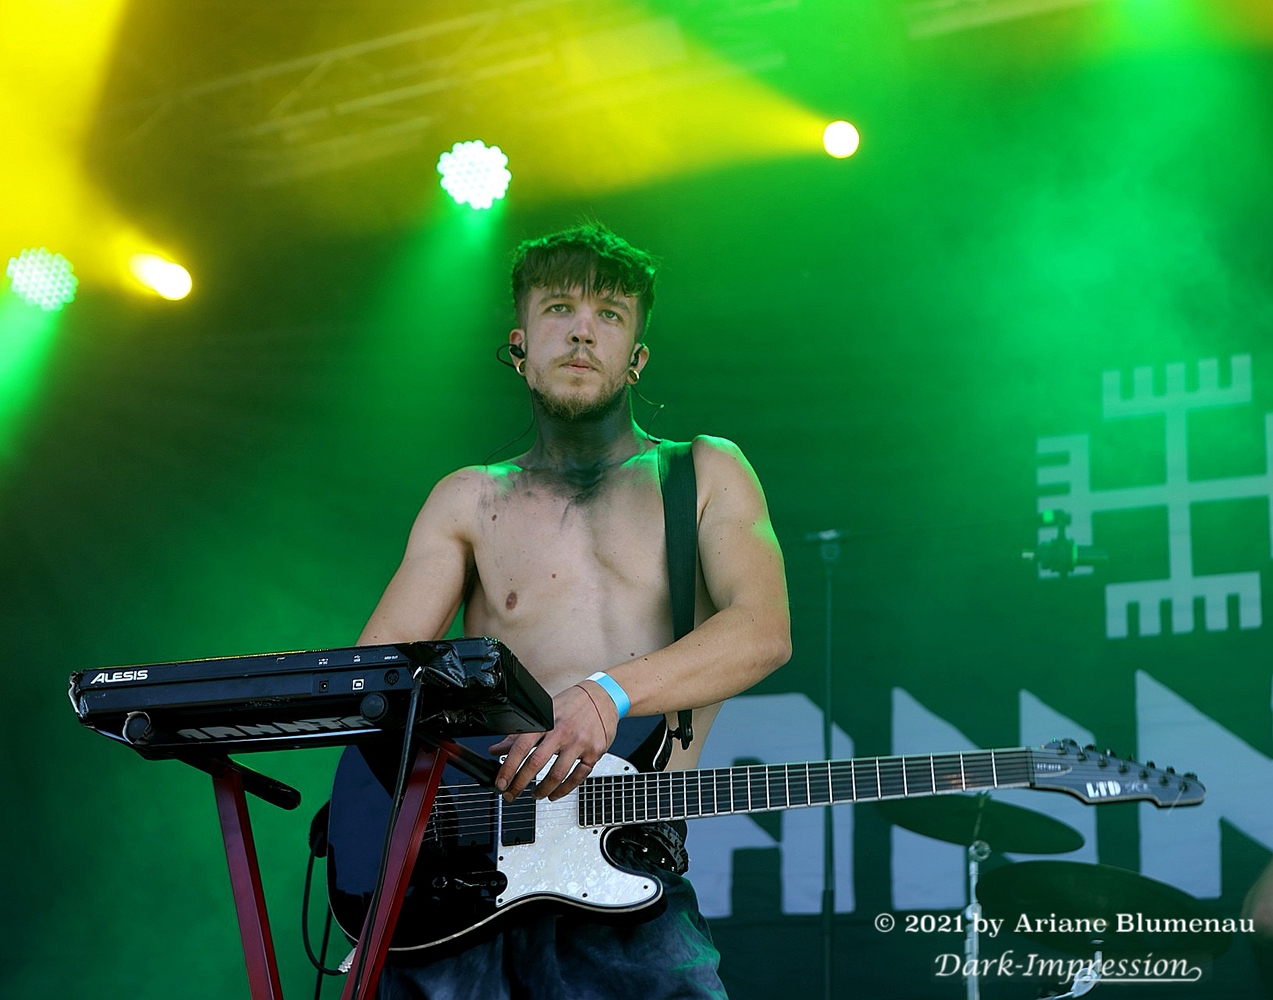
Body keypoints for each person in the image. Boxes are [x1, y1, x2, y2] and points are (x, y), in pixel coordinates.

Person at [357, 222, 792, 998]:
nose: (583, 330)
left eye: (609, 315)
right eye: (559, 308)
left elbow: (762, 631)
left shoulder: (704, 471)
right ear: (520, 347)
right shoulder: (467, 497)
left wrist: (605, 693)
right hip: (464, 880)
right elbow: (374, 682)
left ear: (637, 359)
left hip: (627, 859)